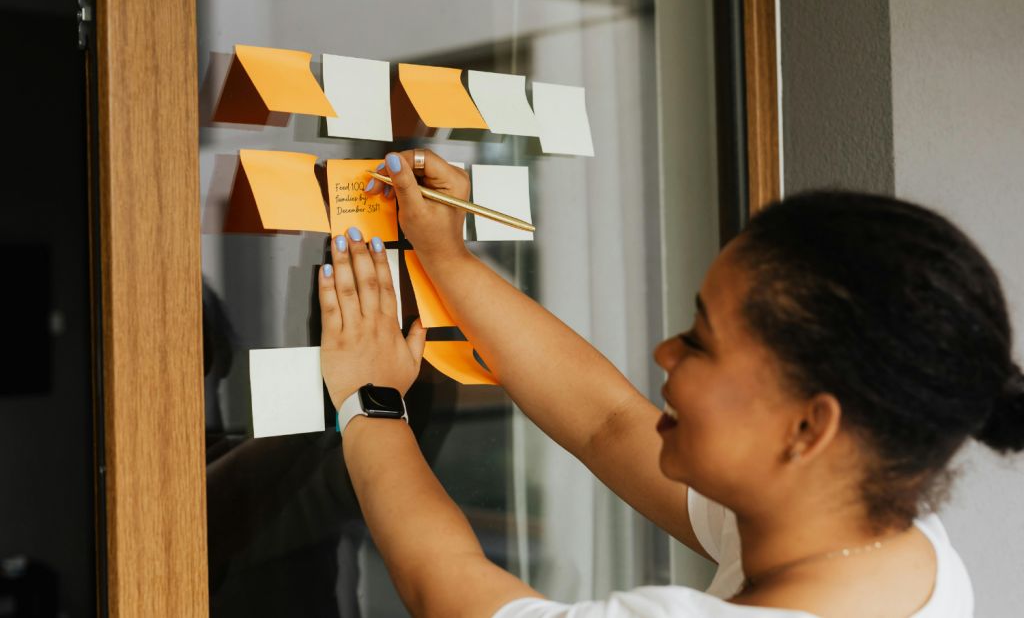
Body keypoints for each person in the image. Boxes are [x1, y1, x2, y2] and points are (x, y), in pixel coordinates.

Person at [317, 150, 1024, 618]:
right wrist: (449, 259)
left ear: (809, 427)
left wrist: (370, 399)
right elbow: (608, 424)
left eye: (700, 341)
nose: (663, 352)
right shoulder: (892, 539)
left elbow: (445, 588)